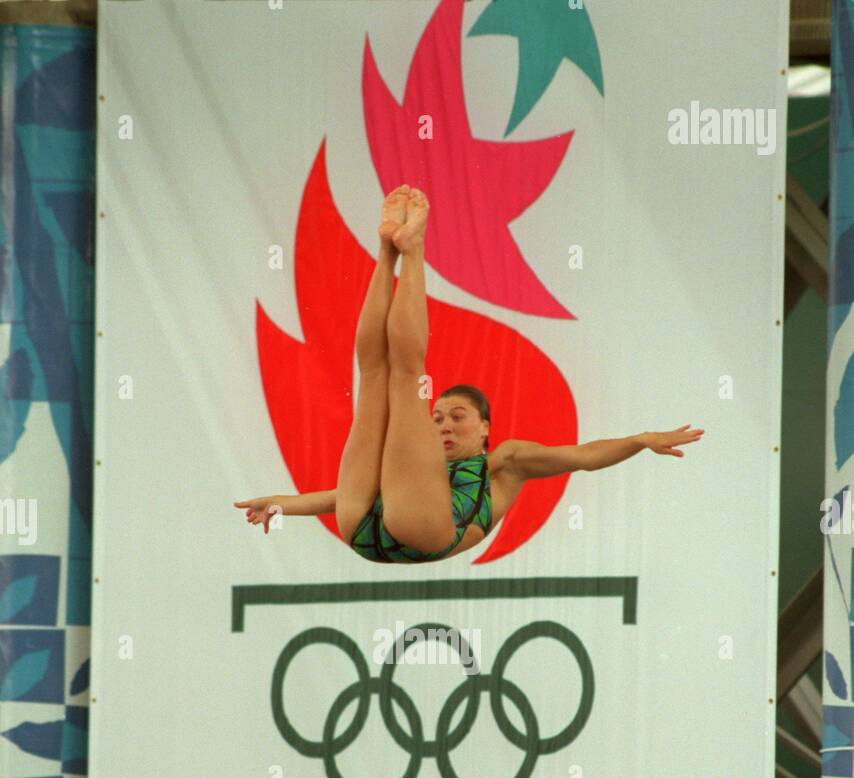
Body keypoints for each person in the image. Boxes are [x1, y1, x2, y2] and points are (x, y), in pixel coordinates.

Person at [234, 186, 704, 557]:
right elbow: (338, 496)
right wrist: (280, 505)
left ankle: (411, 250)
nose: (442, 424)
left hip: (415, 531)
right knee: (373, 372)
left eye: (456, 416)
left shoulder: (506, 463)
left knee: (401, 375)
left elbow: (582, 456)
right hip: (363, 526)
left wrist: (640, 441)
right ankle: (388, 250)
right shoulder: (418, 465)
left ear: (485, 429)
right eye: (439, 417)